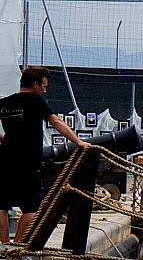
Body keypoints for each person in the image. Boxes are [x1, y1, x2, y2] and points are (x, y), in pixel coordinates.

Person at [0, 66, 89, 242]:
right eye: (44, 86)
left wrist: (6, 139)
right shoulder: (34, 100)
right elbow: (55, 122)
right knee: (32, 208)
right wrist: (78, 142)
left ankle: (3, 244)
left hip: (4, 160)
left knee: (1, 205)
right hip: (27, 162)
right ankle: (16, 245)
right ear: (35, 84)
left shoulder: (5, 103)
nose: (45, 90)